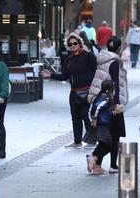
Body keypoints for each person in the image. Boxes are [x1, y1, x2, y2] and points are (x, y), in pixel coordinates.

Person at [41, 33, 97, 149]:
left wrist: (97, 90)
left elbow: (97, 73)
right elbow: (65, 76)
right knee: (75, 117)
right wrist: (51, 75)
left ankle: (92, 141)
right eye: (70, 44)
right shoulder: (69, 59)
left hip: (87, 92)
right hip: (74, 92)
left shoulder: (89, 56)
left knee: (86, 116)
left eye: (75, 43)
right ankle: (77, 142)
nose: (72, 46)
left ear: (80, 44)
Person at [87, 36, 127, 173]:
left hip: (101, 100)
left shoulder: (103, 58)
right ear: (119, 48)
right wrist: (116, 105)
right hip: (111, 104)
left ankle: (98, 166)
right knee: (114, 137)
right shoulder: (114, 62)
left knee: (105, 137)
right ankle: (109, 164)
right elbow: (114, 85)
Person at [84, 79, 121, 175]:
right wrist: (94, 118)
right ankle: (93, 157)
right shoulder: (106, 99)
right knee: (109, 144)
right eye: (113, 89)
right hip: (102, 125)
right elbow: (97, 107)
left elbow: (92, 108)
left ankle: (95, 162)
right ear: (109, 90)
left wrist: (91, 119)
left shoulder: (99, 97)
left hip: (100, 124)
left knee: (104, 143)